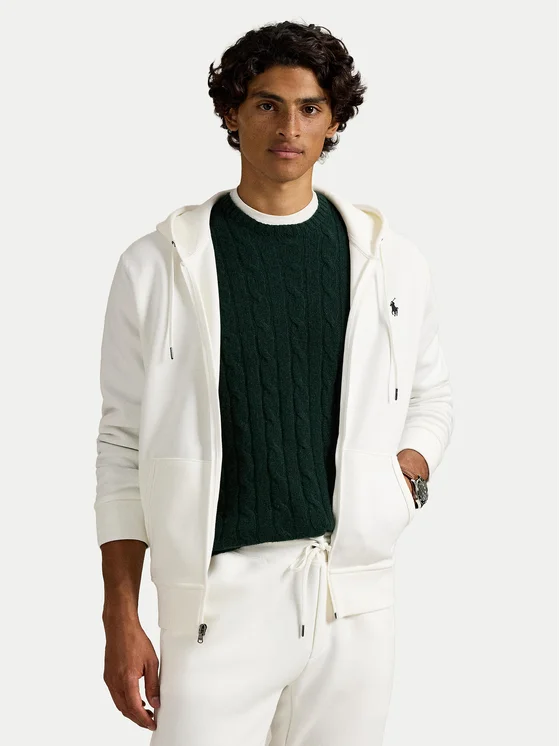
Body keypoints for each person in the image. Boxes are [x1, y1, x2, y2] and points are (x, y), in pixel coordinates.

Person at [95, 20, 454, 746]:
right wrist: (119, 616)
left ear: (333, 121)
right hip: (216, 599)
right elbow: (122, 444)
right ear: (232, 112)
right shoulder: (156, 265)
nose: (289, 128)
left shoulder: (390, 262)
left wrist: (404, 476)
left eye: (309, 108)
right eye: (267, 104)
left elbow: (431, 395)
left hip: (351, 596)